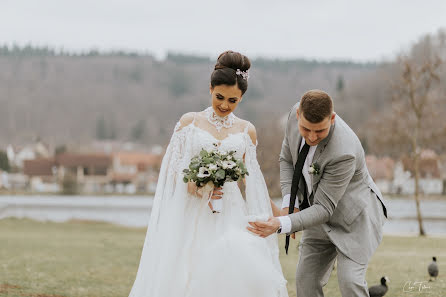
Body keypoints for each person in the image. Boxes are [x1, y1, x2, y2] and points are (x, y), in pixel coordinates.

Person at [128, 50, 288, 297]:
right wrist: (193, 185)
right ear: (210, 89)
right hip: (192, 212)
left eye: (232, 100)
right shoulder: (189, 124)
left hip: (230, 213)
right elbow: (172, 173)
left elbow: (252, 183)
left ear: (241, 98)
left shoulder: (247, 131)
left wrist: (280, 218)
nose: (224, 105)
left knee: (230, 273)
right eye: (220, 97)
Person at [248, 90, 387, 297]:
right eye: (306, 129)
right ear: (298, 115)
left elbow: (324, 208)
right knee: (306, 281)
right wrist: (290, 200)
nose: (312, 137)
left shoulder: (344, 151)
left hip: (354, 219)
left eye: (320, 131)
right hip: (316, 217)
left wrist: (282, 223)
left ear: (332, 119)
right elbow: (286, 160)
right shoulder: (292, 118)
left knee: (350, 282)